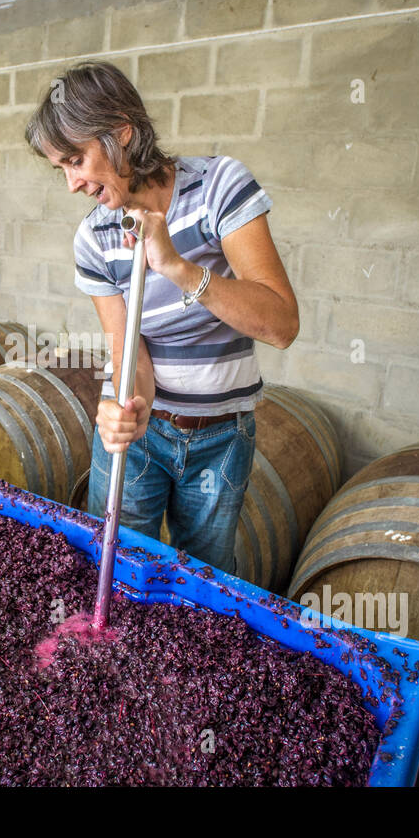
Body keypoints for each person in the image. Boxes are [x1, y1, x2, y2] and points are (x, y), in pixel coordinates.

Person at [25, 61, 299, 576]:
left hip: (221, 440)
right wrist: (125, 406)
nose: (72, 183)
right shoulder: (94, 239)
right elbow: (131, 352)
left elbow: (280, 324)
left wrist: (173, 264)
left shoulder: (220, 186)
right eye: (60, 167)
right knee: (117, 570)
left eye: (76, 159)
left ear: (121, 133)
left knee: (200, 584)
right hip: (141, 437)